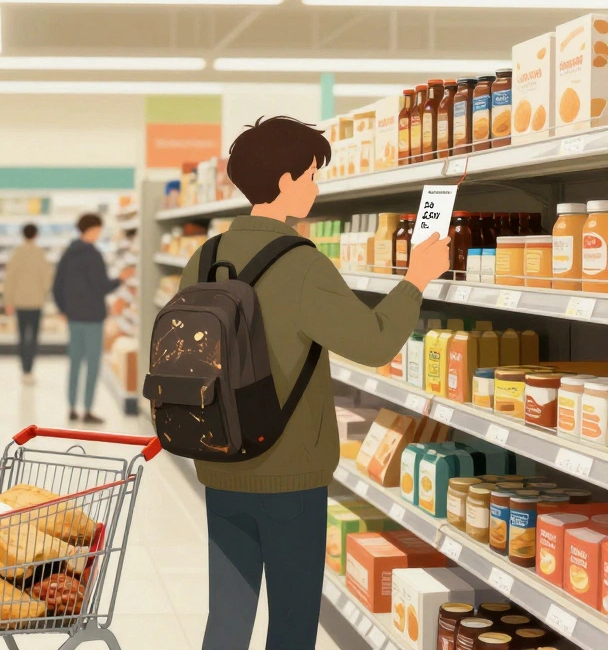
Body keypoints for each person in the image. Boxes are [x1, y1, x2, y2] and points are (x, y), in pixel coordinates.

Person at [172, 116, 451, 650]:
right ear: (284, 182)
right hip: (289, 475)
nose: (316, 187)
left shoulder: (202, 258)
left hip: (217, 459)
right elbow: (372, 343)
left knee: (227, 617)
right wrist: (416, 277)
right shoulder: (301, 263)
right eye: (310, 175)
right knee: (293, 622)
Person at [52, 213, 132, 424]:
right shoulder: (94, 255)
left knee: (75, 362)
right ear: (93, 229)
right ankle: (87, 409)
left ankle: (71, 407)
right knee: (93, 364)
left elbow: (57, 285)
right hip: (93, 317)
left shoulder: (68, 253)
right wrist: (121, 279)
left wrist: (62, 309)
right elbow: (102, 286)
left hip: (74, 316)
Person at [2, 223, 53, 384]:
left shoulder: (17, 254)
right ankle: (30, 369)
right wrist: (46, 295)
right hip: (36, 302)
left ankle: (24, 369)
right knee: (34, 337)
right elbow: (47, 280)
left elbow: (9, 279)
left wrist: (8, 300)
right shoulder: (40, 254)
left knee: (22, 336)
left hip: (20, 302)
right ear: (36, 235)